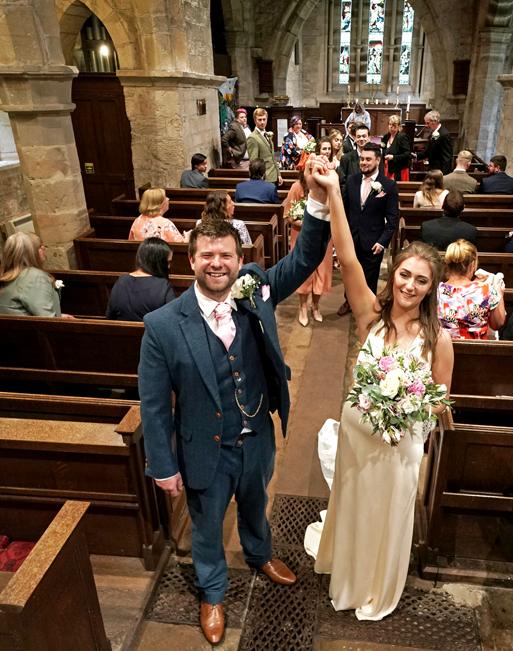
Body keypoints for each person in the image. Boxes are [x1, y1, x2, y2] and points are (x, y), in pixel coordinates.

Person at [137, 158, 333, 644]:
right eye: (207, 256)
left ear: (238, 256)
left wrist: (317, 200)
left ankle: (260, 552)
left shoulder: (256, 289)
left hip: (258, 437)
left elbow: (306, 257)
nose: (217, 264)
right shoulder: (163, 325)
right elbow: (155, 404)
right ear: (192, 260)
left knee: (256, 500)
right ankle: (213, 592)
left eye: (225, 255)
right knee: (205, 527)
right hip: (204, 446)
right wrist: (163, 464)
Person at [307, 157, 453, 621]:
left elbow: (439, 402)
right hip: (358, 438)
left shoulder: (439, 341)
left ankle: (376, 584)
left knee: (387, 514)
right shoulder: (371, 314)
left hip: (400, 447)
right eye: (404, 275)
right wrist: (332, 193)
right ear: (393, 276)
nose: (409, 285)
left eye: (421, 280)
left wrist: (411, 420)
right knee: (355, 506)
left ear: (432, 289)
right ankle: (350, 574)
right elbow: (348, 257)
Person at [337, 142, 399, 315]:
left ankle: (366, 308)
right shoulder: (352, 180)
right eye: (362, 159)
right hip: (352, 238)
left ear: (377, 160)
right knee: (349, 274)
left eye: (368, 160)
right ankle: (348, 301)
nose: (363, 162)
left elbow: (393, 219)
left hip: (373, 240)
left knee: (369, 277)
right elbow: (345, 210)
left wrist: (382, 242)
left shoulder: (388, 186)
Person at [283, 139, 335, 327]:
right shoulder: (297, 188)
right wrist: (305, 224)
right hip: (301, 236)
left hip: (323, 236)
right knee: (303, 273)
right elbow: (288, 215)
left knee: (322, 271)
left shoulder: (327, 186)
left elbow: (334, 211)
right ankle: (303, 307)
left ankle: (316, 306)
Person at [0, 232, 70, 318]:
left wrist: (59, 316)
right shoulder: (35, 277)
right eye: (39, 246)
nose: (43, 248)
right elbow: (48, 321)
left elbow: (20, 310)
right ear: (30, 253)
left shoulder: (6, 274)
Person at [437, 239, 506, 340]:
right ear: (472, 265)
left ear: (447, 264)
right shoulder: (486, 290)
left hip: (441, 350)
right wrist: (499, 293)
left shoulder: (435, 290)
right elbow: (497, 323)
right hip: (477, 353)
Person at [106, 237, 176, 321]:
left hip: (122, 333)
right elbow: (173, 320)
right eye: (168, 262)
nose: (169, 267)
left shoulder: (121, 282)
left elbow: (110, 316)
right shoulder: (163, 286)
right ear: (157, 262)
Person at [246, 107, 280, 184]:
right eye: (260, 119)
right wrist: (258, 181)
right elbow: (254, 162)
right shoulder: (253, 138)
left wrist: (278, 174)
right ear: (255, 120)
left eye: (264, 119)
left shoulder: (267, 134)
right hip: (264, 178)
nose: (262, 122)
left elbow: (272, 156)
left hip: (273, 176)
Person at [415, 110, 453, 175]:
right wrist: (416, 156)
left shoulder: (444, 134)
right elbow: (430, 150)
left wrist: (443, 176)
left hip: (440, 172)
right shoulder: (435, 132)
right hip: (434, 169)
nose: (426, 125)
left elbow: (447, 158)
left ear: (434, 121)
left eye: (427, 123)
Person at [338, 122, 371, 190]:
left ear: (369, 138)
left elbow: (380, 179)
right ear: (355, 139)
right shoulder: (346, 158)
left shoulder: (376, 157)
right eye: (358, 136)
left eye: (364, 136)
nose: (361, 139)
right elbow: (342, 183)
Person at [380, 114, 411, 181]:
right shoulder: (386, 137)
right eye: (390, 124)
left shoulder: (402, 137)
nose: (391, 127)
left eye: (394, 125)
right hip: (387, 168)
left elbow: (407, 154)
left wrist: (393, 157)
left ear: (399, 126)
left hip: (399, 169)